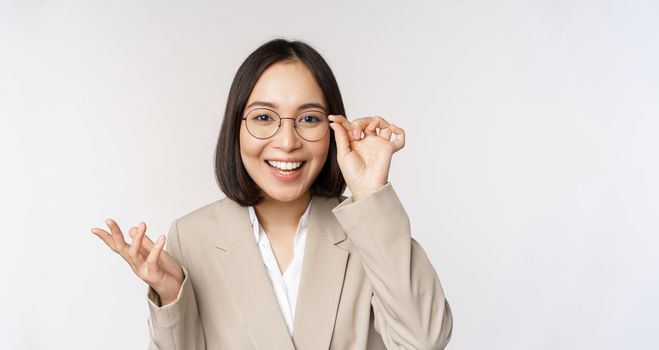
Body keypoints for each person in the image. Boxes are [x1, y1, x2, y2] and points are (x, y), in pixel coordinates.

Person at [91, 38, 453, 349]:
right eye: (264, 117)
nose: (286, 141)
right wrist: (171, 299)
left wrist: (370, 192)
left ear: (335, 129)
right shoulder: (192, 237)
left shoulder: (369, 231)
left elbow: (424, 340)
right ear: (237, 128)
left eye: (309, 119)